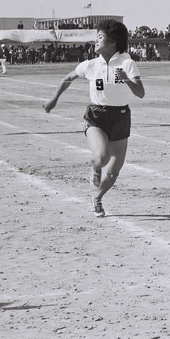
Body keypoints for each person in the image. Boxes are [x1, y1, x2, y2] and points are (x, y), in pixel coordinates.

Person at [43, 20, 145, 218]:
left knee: (113, 172)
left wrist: (126, 79)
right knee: (101, 157)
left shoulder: (127, 63)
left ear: (113, 41)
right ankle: (95, 167)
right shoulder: (90, 64)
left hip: (121, 117)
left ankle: (97, 198)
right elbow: (67, 78)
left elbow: (140, 93)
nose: (95, 41)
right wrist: (54, 99)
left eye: (100, 37)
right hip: (96, 116)